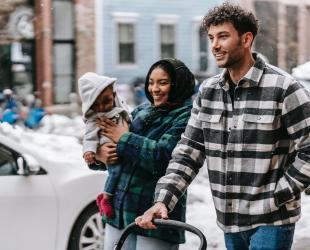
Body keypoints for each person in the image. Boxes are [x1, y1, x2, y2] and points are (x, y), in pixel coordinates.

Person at [136, 3, 310, 250]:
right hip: (229, 223)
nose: (214, 45)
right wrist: (163, 199)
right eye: (211, 37)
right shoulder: (208, 92)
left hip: (272, 221)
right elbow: (188, 152)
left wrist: (281, 193)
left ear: (246, 39)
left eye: (223, 36)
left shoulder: (284, 88)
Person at [95, 58, 195, 250]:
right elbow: (119, 152)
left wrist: (123, 138)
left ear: (179, 84)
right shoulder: (141, 111)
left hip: (157, 215)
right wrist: (100, 156)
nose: (154, 89)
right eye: (151, 82)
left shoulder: (188, 116)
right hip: (120, 211)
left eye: (163, 82)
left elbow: (165, 157)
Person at [78, 72, 131, 218]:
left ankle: (106, 197)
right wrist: (91, 152)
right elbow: (89, 137)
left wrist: (127, 132)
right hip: (111, 152)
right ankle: (106, 198)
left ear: (114, 95)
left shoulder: (121, 109)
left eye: (106, 101)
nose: (102, 107)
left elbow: (130, 121)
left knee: (120, 174)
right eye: (96, 105)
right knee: (115, 172)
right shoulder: (95, 118)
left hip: (121, 151)